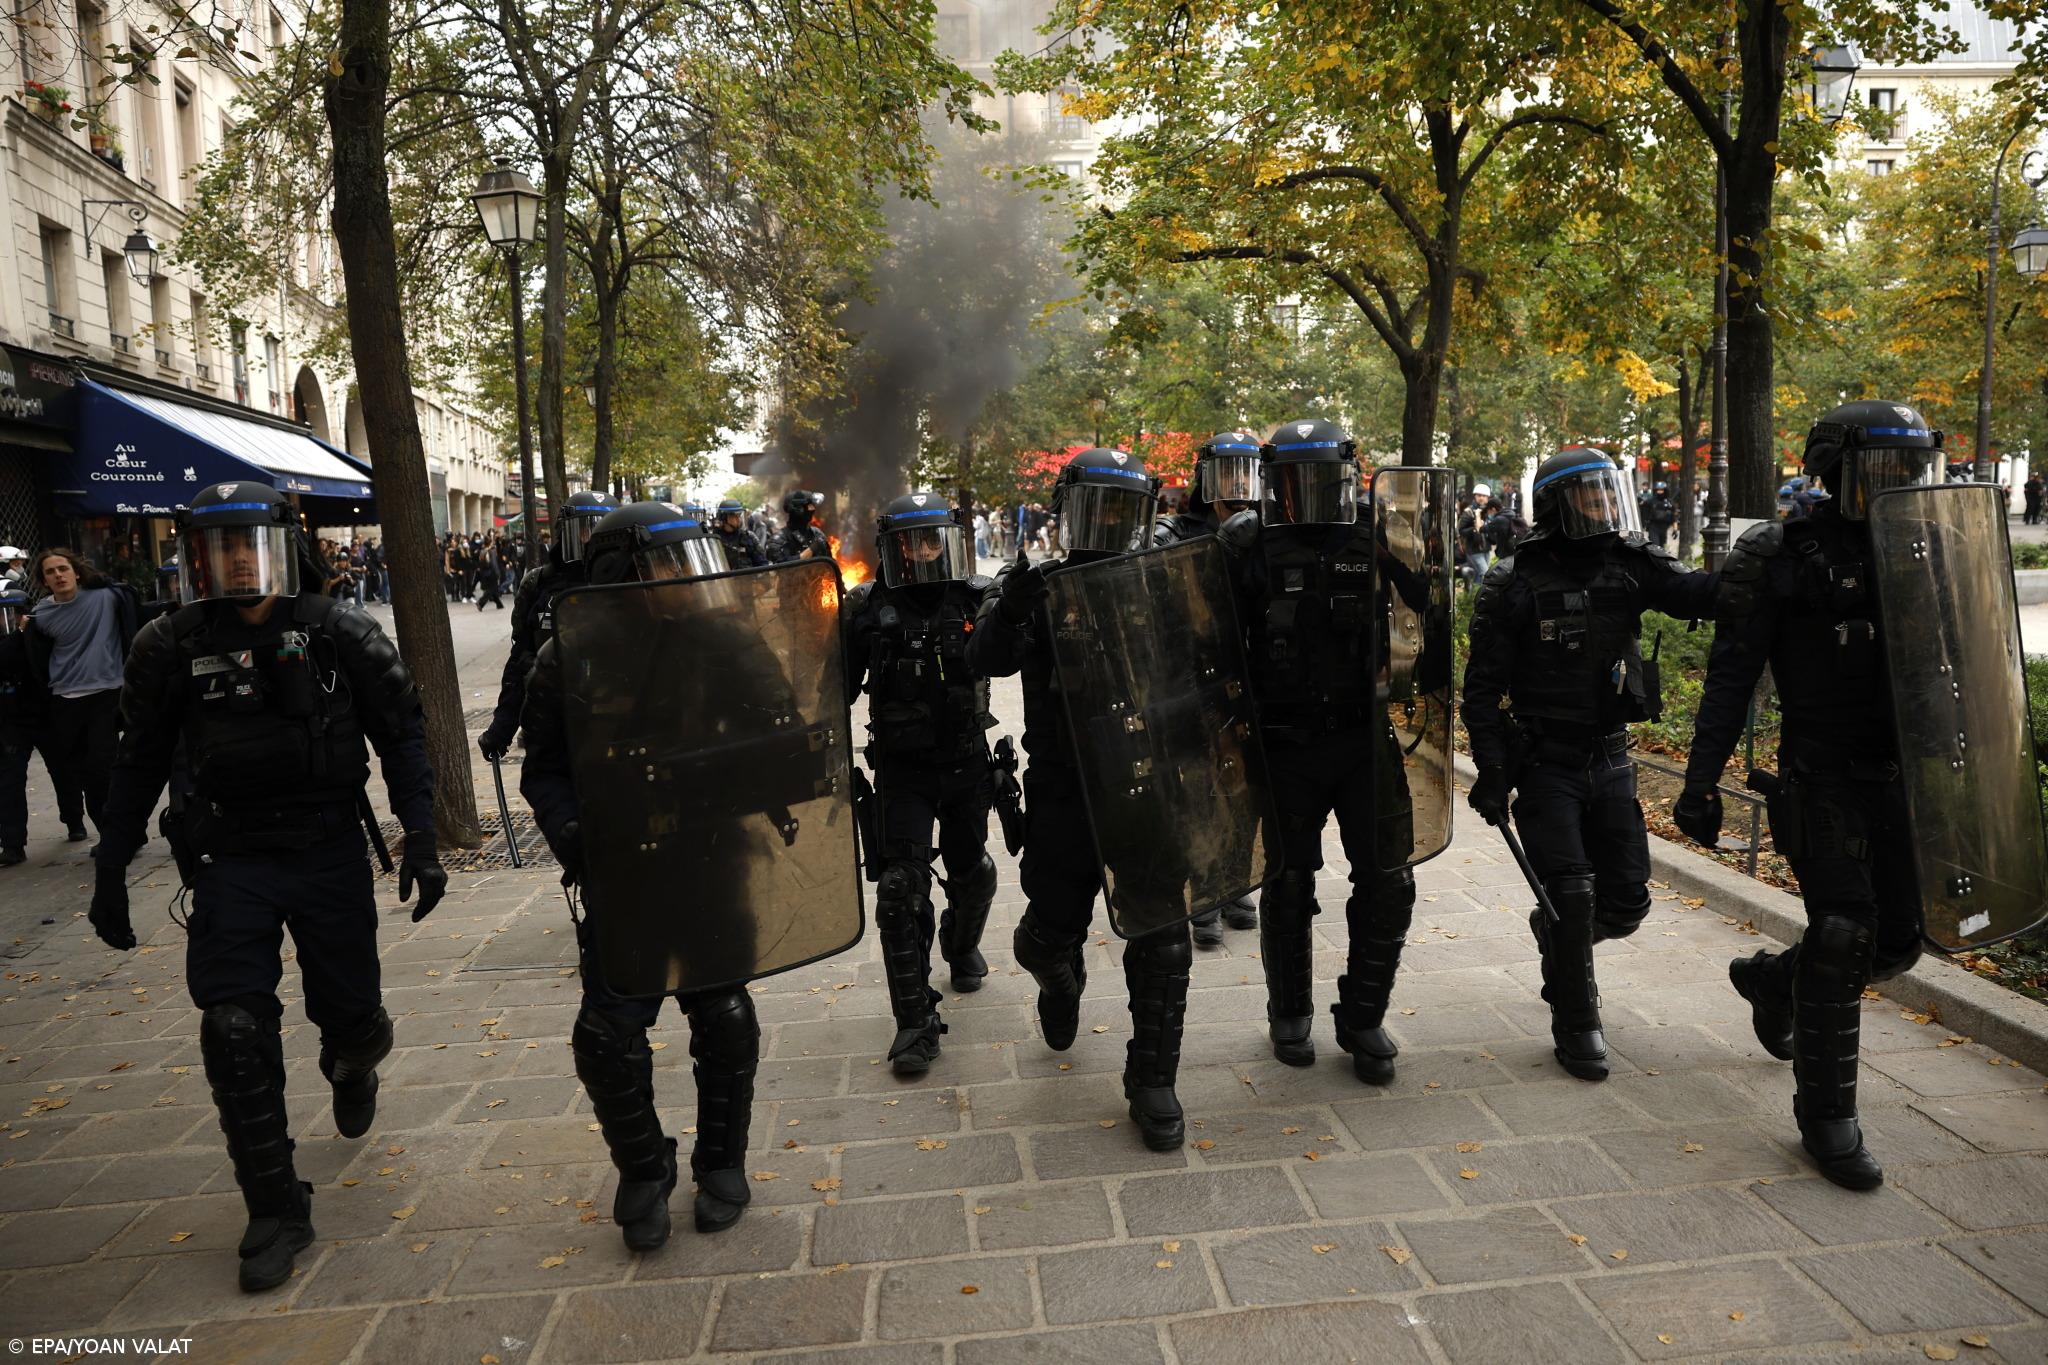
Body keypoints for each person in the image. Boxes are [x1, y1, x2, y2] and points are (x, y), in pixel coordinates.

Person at [88, 480, 445, 1292]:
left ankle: (353, 1060)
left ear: (284, 548)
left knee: (352, 1020)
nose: (238, 561)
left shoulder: (340, 630)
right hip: (232, 859)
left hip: (327, 852)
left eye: (250, 544)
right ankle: (276, 1203)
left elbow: (402, 737)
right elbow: (137, 759)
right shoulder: (166, 646)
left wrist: (420, 840)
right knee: (234, 1026)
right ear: (197, 560)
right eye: (219, 548)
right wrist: (111, 866)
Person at [1674, 401, 1940, 1190]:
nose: (1901, 486)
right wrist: (1699, 781)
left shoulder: (1922, 548)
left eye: (1911, 471)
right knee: (1843, 931)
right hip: (1820, 774)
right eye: (1884, 470)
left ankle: (1771, 981)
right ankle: (1827, 1119)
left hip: (1900, 776)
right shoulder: (1780, 556)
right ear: (1835, 470)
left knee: (1896, 943)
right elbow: (1729, 677)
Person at [519, 501, 766, 1250]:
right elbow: (544, 768)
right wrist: (574, 838)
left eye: (685, 562)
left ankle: (721, 1162)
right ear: (618, 573)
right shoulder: (565, 655)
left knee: (722, 1016)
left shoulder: (724, 638)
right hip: (622, 873)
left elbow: (781, 726)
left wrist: (744, 770)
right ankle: (642, 1166)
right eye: (662, 564)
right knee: (605, 1035)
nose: (678, 579)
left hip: (713, 857)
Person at [1463, 448, 1714, 1082]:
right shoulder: (1514, 580)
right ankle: (1577, 1022)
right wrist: (1493, 775)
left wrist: (1765, 560)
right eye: (1589, 495)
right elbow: (1482, 690)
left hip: (1610, 755)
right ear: (1555, 504)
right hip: (1546, 760)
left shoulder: (1628, 565)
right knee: (1571, 894)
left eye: (1608, 492)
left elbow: (1697, 595)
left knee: (1626, 903)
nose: (1604, 505)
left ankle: (1559, 937)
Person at [969, 448, 1194, 1149]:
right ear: (1067, 513)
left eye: (1122, 512)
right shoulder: (1035, 589)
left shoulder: (1157, 584)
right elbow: (983, 659)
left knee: (1164, 942)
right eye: (1094, 509)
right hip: (1065, 792)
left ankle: (1152, 1079)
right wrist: (1011, 609)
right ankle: (1059, 981)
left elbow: (1206, 667)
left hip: (1143, 785)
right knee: (1044, 935)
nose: (1107, 527)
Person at [1221, 418, 1432, 1085]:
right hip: (1282, 744)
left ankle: (1363, 1014)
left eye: (1323, 478)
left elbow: (1427, 603)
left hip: (1360, 737)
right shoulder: (1247, 543)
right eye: (1295, 479)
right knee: (1287, 881)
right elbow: (1211, 637)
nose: (1309, 493)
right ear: (1275, 482)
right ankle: (1290, 1011)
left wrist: (1400, 550)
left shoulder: (1372, 535)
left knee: (1389, 876)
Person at [844, 493, 1001, 1074]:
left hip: (965, 766)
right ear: (894, 549)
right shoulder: (867, 607)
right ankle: (914, 1024)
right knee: (898, 895)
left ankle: (962, 946)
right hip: (901, 773)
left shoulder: (979, 597)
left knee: (970, 870)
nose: (923, 552)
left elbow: (1006, 658)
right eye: (911, 543)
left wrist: (1011, 612)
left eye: (932, 540)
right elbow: (834, 687)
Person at [1153, 429, 1264, 947]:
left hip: (1248, 679)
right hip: (1189, 680)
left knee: (1245, 789)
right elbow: (1154, 597)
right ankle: (1203, 893)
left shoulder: (1270, 531)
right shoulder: (1173, 533)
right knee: (1198, 789)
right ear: (1206, 480)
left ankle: (1235, 882)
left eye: (1249, 474)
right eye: (1228, 475)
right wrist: (1217, 549)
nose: (1239, 487)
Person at [478, 491, 619, 764]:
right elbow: (520, 659)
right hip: (556, 722)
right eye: (584, 530)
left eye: (602, 530)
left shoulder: (629, 582)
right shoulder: (538, 584)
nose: (590, 540)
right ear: (567, 533)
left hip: (616, 725)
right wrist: (501, 729)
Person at [26, 547, 138, 838]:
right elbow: (36, 653)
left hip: (106, 693)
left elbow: (132, 602)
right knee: (83, 774)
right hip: (64, 697)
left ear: (76, 572)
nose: (58, 575)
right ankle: (110, 833)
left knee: (101, 767)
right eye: (50, 572)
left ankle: (120, 835)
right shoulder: (42, 614)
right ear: (44, 581)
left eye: (63, 568)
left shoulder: (107, 598)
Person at [0, 588, 71, 864]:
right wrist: (18, 635)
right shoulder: (10, 640)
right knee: (9, 781)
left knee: (62, 771)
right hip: (13, 719)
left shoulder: (40, 634)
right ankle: (13, 843)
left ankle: (73, 818)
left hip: (44, 713)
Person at [769, 489, 831, 563]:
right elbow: (782, 568)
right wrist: (812, 549)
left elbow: (830, 564)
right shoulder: (778, 540)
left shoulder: (817, 534)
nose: (813, 509)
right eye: (809, 506)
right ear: (798, 509)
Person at [713, 498, 768, 568]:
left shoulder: (749, 537)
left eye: (739, 516)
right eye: (734, 516)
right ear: (724, 517)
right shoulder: (714, 540)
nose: (739, 519)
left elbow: (763, 565)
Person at [1642, 481, 1677, 548]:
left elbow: (1674, 517)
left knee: (1661, 548)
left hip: (1664, 528)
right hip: (1653, 527)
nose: (1659, 492)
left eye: (1661, 490)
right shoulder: (1651, 501)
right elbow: (1644, 510)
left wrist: (1675, 529)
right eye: (1658, 490)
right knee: (1655, 547)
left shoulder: (1669, 503)